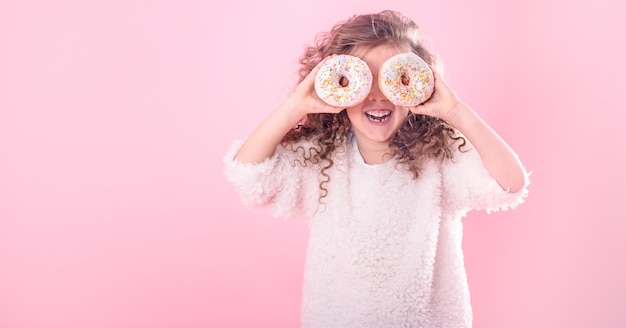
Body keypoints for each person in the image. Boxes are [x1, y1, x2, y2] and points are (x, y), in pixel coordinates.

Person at [223, 9, 529, 328]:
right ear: (339, 88)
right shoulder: (322, 160)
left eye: (393, 79)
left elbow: (509, 184)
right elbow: (249, 175)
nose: (376, 95)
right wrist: (296, 105)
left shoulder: (442, 157)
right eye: (362, 79)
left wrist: (454, 110)